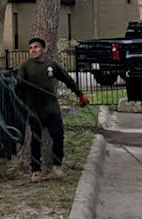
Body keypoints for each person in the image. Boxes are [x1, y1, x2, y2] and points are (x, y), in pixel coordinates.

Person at [16, 37, 89, 183]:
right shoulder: (25, 67)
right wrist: (16, 82)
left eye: (36, 47)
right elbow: (19, 86)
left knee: (58, 135)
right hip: (34, 110)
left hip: (51, 109)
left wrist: (80, 94)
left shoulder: (51, 65)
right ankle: (36, 170)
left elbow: (67, 79)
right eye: (31, 48)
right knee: (36, 140)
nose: (33, 50)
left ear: (44, 49)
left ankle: (57, 165)